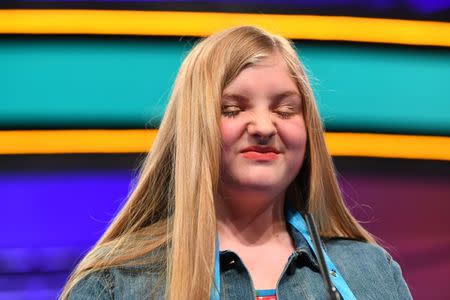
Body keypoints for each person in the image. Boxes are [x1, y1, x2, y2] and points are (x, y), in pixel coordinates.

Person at [60, 25, 412, 300]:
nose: (262, 127)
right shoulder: (116, 283)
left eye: (285, 110)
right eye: (233, 109)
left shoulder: (372, 273)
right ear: (195, 128)